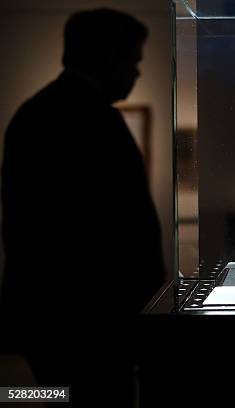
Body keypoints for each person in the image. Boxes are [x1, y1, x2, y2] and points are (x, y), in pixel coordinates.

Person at [0, 9, 165, 405]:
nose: (137, 73)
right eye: (133, 60)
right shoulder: (99, 122)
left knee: (54, 396)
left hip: (45, 319)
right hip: (96, 323)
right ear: (109, 58)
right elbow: (128, 231)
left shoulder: (31, 114)